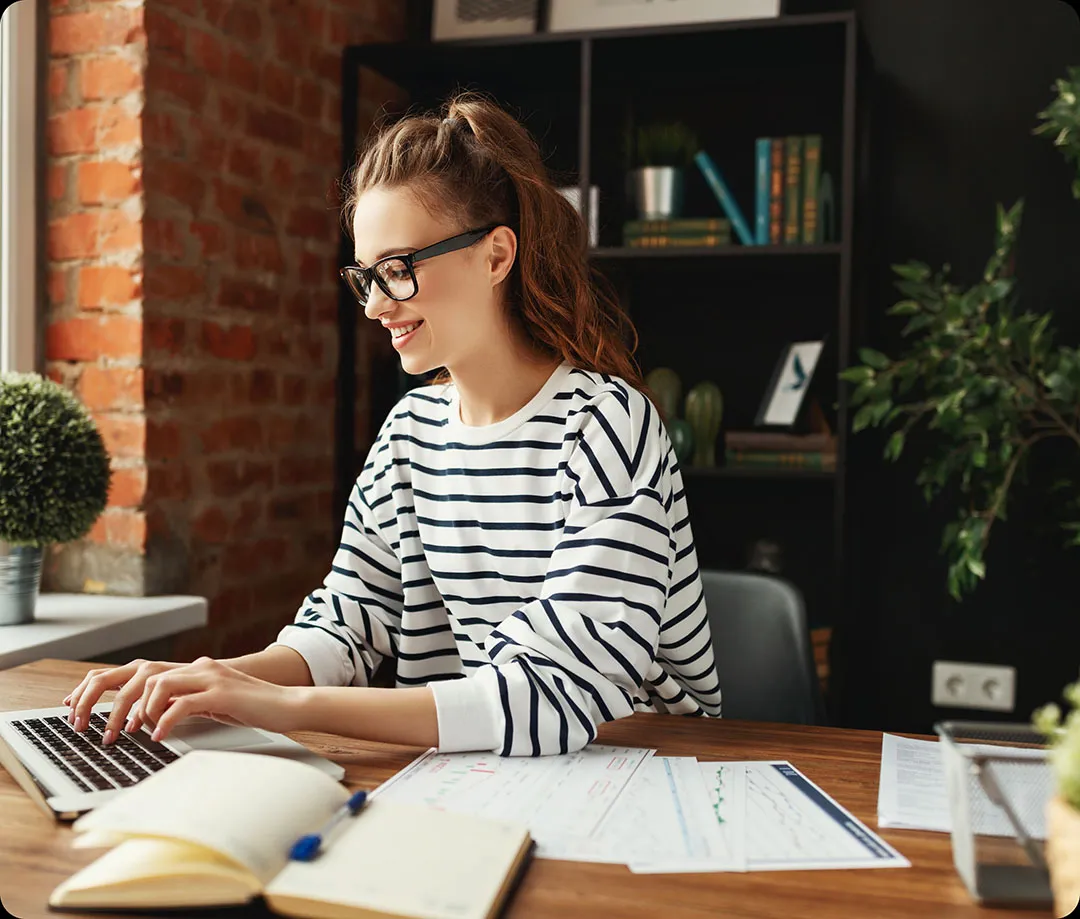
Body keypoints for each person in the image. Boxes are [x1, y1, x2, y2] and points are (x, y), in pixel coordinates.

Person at [63, 92, 723, 757]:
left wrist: (289, 706)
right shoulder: (411, 432)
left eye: (399, 270)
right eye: (366, 276)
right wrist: (210, 679)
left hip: (648, 769)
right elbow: (349, 619)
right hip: (495, 768)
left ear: (496, 256)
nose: (377, 305)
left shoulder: (607, 426)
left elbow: (553, 692)